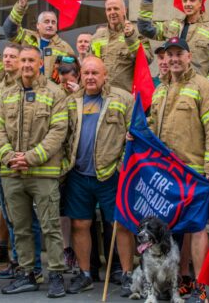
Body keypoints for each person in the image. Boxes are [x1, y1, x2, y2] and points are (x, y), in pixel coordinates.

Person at [149, 37, 209, 302]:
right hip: (165, 174)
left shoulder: (204, 86)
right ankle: (182, 280)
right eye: (169, 55)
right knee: (173, 230)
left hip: (193, 173)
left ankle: (201, 284)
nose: (173, 59)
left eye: (178, 54)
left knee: (196, 229)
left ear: (189, 56)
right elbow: (151, 124)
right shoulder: (160, 89)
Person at [0, 45, 68, 297]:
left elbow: (58, 131)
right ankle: (27, 273)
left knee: (50, 226)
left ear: (40, 64)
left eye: (31, 60)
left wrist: (31, 158)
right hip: (12, 173)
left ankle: (56, 274)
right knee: (21, 227)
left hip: (43, 172)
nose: (26, 64)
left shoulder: (55, 94)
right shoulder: (5, 94)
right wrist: (7, 156)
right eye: (23, 60)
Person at [64, 57, 135, 296]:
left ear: (106, 75)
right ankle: (85, 274)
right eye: (86, 73)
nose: (90, 77)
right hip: (79, 174)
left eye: (95, 72)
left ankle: (127, 274)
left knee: (120, 225)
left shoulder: (123, 98)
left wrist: (122, 165)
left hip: (111, 174)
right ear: (80, 75)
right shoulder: (71, 100)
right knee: (79, 224)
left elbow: (136, 134)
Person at [0, 44, 45, 281]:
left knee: (28, 221)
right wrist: (8, 156)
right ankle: (17, 262)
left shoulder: (36, 88)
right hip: (6, 164)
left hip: (31, 166)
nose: (11, 60)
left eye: (15, 57)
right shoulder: (1, 88)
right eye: (8, 56)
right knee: (13, 218)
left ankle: (33, 267)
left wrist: (26, 158)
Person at [138, 0, 209, 88]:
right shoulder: (173, 25)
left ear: (200, 3)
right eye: (185, 0)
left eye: (192, 0)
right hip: (171, 87)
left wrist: (207, 87)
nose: (188, 4)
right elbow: (145, 28)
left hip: (197, 90)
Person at [3, 0, 74, 79]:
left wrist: (61, 67)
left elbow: (73, 67)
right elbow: (9, 31)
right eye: (46, 21)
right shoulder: (26, 37)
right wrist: (20, 6)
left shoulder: (65, 47)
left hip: (51, 91)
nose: (50, 25)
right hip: (26, 87)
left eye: (53, 22)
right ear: (38, 25)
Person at [89, 0, 152, 92]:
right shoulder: (96, 37)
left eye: (116, 8)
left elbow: (147, 60)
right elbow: (89, 66)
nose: (112, 12)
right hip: (100, 96)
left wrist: (131, 38)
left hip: (125, 96)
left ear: (124, 11)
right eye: (109, 9)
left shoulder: (136, 34)